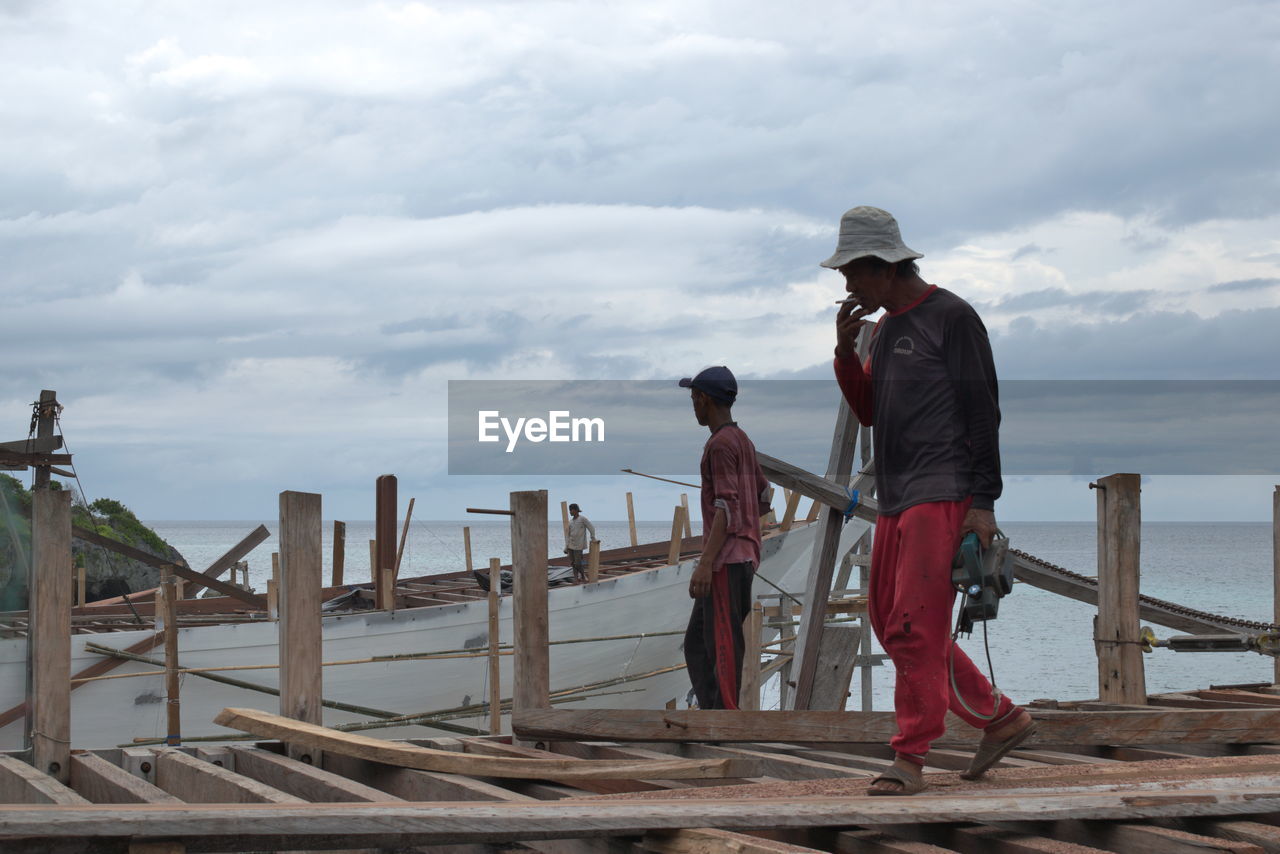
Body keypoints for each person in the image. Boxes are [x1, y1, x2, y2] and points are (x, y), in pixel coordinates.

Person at [823, 206, 1035, 795]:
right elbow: (871, 411)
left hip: (942, 491)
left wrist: (983, 502)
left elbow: (983, 412)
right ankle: (1002, 718)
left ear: (883, 265)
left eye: (852, 272)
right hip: (895, 495)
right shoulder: (886, 330)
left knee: (916, 626)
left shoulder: (953, 317)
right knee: (890, 623)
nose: (846, 285)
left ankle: (909, 757)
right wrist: (844, 354)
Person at [678, 366, 772, 710]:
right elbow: (763, 497)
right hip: (742, 555)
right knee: (699, 644)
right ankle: (714, 713)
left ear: (704, 399)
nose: (693, 407)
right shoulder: (742, 440)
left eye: (694, 399)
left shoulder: (720, 445)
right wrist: (747, 534)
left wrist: (705, 563)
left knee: (722, 646)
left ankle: (725, 722)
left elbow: (726, 509)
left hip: (726, 560)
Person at [565, 503, 597, 582]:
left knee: (578, 563)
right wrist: (566, 547)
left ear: (576, 510)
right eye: (570, 510)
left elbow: (591, 528)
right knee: (573, 563)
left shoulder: (582, 519)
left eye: (572, 510)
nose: (570, 512)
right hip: (571, 545)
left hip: (579, 545)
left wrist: (593, 537)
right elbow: (568, 535)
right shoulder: (570, 522)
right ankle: (576, 579)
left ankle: (583, 576)